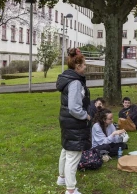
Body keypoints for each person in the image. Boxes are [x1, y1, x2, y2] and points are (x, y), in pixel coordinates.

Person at [55, 48, 91, 194]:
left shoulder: (68, 78)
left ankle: (61, 178)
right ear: (77, 67)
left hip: (67, 120)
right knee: (73, 155)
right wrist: (86, 116)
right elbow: (74, 108)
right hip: (74, 121)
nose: (85, 66)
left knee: (66, 149)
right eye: (84, 64)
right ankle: (70, 190)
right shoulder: (75, 82)